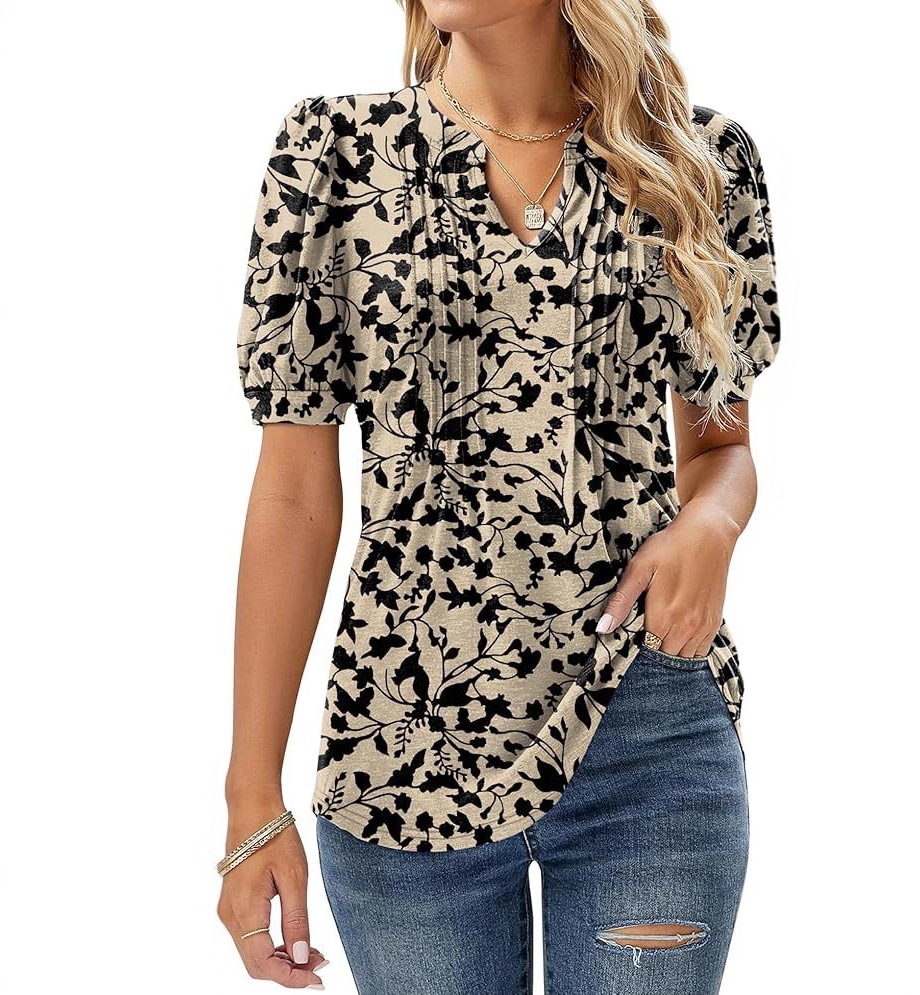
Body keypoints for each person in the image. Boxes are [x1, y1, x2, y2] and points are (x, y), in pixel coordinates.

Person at [216, 1, 780, 992]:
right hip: (400, 748)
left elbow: (720, 444)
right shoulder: (333, 154)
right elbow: (296, 494)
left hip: (641, 725)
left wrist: (711, 521)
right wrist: (250, 796)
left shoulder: (695, 160)